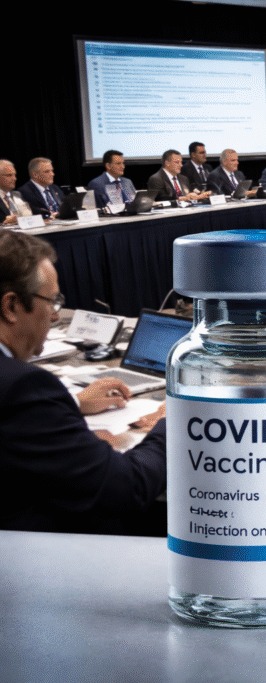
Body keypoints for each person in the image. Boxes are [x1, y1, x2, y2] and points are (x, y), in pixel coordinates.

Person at [0, 230, 166, 534]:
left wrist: (72, 406)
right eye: (51, 302)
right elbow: (126, 489)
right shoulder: (23, 387)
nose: (54, 317)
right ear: (10, 307)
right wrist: (169, 426)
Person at [0, 160, 31, 225]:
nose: (14, 178)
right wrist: (3, 222)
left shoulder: (17, 194)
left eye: (14, 175)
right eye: (9, 175)